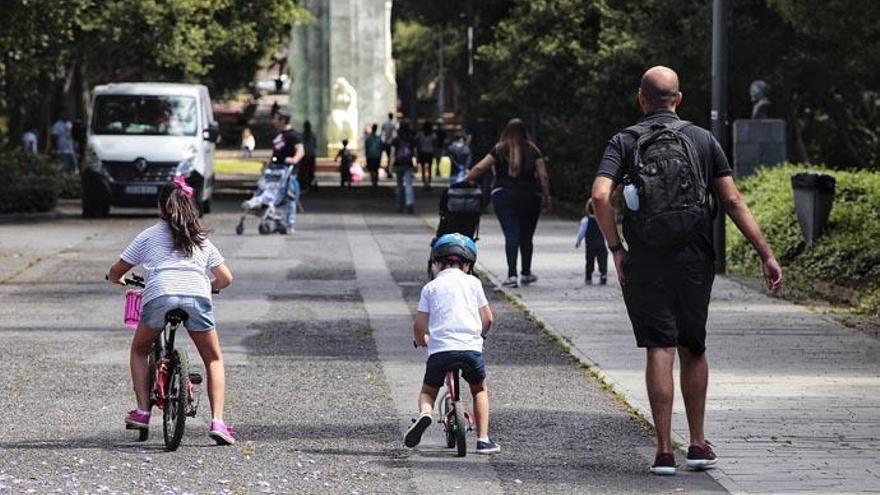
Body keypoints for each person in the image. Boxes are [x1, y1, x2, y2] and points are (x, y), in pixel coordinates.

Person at [591, 66, 783, 476]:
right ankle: (697, 444)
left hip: (644, 259)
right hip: (695, 257)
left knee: (659, 347)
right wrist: (766, 254)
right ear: (678, 99)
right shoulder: (702, 139)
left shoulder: (623, 141)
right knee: (693, 346)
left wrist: (615, 249)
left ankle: (663, 450)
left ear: (641, 98)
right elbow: (732, 202)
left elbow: (599, 196)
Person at [106, 177, 236, 445]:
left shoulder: (148, 235)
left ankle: (143, 412)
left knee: (140, 350)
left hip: (159, 295)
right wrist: (210, 287)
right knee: (213, 359)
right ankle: (219, 423)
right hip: (197, 296)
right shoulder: (199, 238)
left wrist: (116, 279)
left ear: (159, 207)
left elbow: (117, 270)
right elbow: (226, 278)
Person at [404, 233, 500, 455]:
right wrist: (480, 337)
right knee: (479, 390)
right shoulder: (473, 283)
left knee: (428, 391)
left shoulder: (430, 287)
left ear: (437, 263)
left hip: (440, 351)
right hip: (470, 349)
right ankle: (484, 440)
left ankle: (426, 413)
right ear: (467, 265)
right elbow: (488, 319)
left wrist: (422, 341)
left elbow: (419, 326)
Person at [464, 119, 551, 288]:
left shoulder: (499, 149)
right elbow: (543, 175)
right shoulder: (533, 149)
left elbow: (481, 167)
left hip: (504, 195)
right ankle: (526, 273)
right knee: (527, 235)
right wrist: (547, 196)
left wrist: (467, 179)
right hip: (530, 195)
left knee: (511, 234)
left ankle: (512, 275)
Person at [269, 110, 304, 234]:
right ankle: (280, 222)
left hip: (288, 172)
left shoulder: (293, 135)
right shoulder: (280, 135)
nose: (274, 121)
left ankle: (289, 224)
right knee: (276, 196)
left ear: (283, 120)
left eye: (276, 119)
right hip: (277, 170)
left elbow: (300, 150)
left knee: (289, 197)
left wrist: (294, 159)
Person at [576, 199, 608, 285]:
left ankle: (588, 276)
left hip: (590, 245)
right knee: (602, 259)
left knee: (589, 260)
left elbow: (581, 232)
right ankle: (603, 274)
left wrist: (578, 241)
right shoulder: (602, 220)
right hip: (601, 244)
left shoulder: (585, 220)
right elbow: (607, 232)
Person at [391, 121, 417, 213]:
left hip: (398, 164)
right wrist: (415, 164)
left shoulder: (396, 140)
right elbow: (414, 154)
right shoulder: (411, 139)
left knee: (399, 185)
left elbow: (393, 154)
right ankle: (409, 203)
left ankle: (399, 205)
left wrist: (390, 165)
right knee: (409, 185)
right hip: (408, 164)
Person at [415, 121, 436, 191]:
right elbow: (434, 143)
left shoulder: (420, 134)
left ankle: (424, 183)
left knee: (423, 168)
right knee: (429, 168)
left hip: (422, 152)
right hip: (430, 152)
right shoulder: (432, 134)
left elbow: (417, 143)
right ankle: (429, 183)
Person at [364, 123, 384, 187]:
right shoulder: (378, 138)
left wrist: (366, 156)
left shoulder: (368, 138)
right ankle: (375, 182)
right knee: (376, 169)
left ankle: (373, 181)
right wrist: (380, 155)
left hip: (370, 155)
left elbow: (366, 148)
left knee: (372, 169)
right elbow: (381, 148)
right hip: (377, 155)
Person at [300, 121, 318, 191]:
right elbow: (315, 145)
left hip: (305, 155)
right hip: (311, 154)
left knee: (304, 170)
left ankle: (305, 184)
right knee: (311, 170)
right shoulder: (313, 135)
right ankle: (310, 184)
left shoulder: (302, 135)